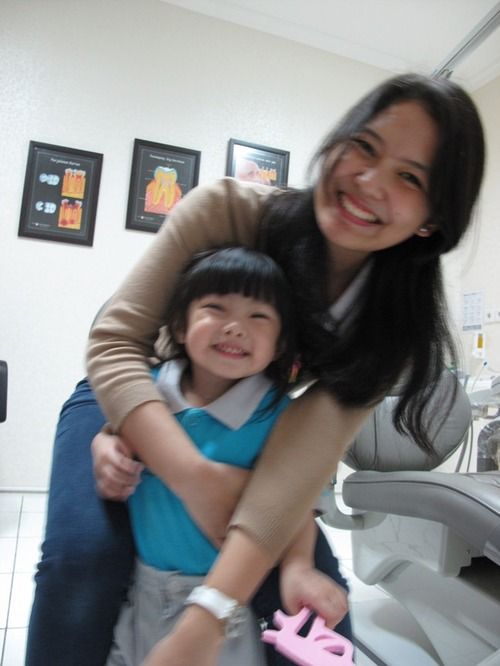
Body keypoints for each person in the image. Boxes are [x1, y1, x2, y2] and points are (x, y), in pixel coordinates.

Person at [26, 73, 485, 666]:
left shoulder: (386, 328)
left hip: (254, 425)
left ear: (432, 219)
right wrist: (183, 468)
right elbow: (116, 343)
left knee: (318, 606)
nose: (369, 182)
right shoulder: (227, 211)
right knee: (81, 563)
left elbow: (299, 458)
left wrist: (209, 614)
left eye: (410, 177)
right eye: (365, 147)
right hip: (135, 389)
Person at [105, 246, 349, 665]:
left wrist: (298, 567)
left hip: (225, 607)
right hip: (141, 592)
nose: (235, 328)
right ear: (180, 325)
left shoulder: (280, 418)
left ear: (280, 344)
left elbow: (295, 504)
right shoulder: (147, 389)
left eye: (259, 317)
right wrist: (105, 448)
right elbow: (115, 428)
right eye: (215, 308)